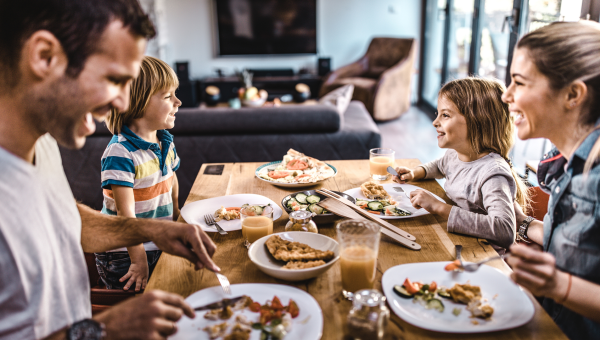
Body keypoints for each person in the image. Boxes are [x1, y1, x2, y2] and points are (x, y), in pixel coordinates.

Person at [0, 1, 220, 339]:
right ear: (44, 57)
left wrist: (153, 230)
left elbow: (65, 218)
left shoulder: (41, 142)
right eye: (113, 79)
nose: (122, 102)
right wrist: (104, 330)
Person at [500, 21, 600, 340]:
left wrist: (558, 285)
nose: (506, 95)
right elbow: (579, 247)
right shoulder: (568, 163)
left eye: (519, 82)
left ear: (573, 94)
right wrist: (523, 223)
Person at [393, 77, 529, 250]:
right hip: (456, 242)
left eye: (445, 115)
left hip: (481, 256)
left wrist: (439, 207)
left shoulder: (493, 173)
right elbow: (440, 166)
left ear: (478, 121)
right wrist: (415, 173)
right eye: (438, 114)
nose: (435, 122)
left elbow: (504, 231)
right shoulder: (455, 155)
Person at [95, 56, 182, 292]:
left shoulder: (164, 141)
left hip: (157, 242)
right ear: (138, 103)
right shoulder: (120, 152)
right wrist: (138, 260)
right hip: (126, 254)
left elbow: (170, 179)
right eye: (167, 96)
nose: (178, 102)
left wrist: (176, 216)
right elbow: (126, 214)